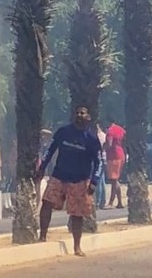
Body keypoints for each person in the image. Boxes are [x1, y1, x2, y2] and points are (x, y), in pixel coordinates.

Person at [36, 106, 101, 257]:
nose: (79, 115)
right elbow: (50, 150)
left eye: (82, 113)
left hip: (79, 180)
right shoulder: (63, 132)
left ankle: (77, 247)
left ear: (88, 117)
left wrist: (94, 181)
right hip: (59, 176)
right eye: (77, 113)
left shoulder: (91, 139)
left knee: (76, 214)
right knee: (47, 203)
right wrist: (42, 168)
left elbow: (99, 162)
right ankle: (42, 236)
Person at [104, 121, 126, 209]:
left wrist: (103, 146)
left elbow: (109, 144)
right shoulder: (121, 130)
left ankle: (115, 202)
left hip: (113, 156)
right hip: (121, 154)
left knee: (114, 180)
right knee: (115, 179)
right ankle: (115, 202)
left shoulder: (110, 131)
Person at [95, 125, 107, 210]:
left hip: (99, 159)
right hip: (104, 159)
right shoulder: (104, 135)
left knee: (98, 181)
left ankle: (97, 202)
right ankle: (103, 201)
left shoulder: (98, 136)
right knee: (102, 181)